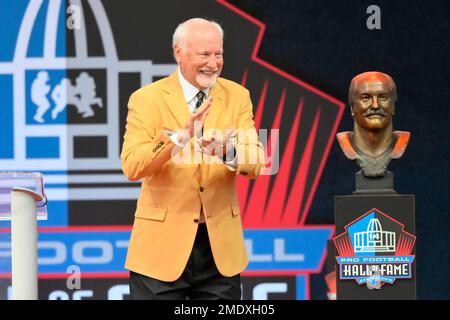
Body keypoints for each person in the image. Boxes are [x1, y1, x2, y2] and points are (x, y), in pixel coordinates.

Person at [121, 18, 265, 300]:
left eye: (218, 54)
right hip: (159, 252)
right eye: (204, 54)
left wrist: (227, 151)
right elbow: (133, 165)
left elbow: (257, 160)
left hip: (218, 252)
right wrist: (178, 139)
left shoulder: (238, 96)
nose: (213, 63)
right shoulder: (146, 99)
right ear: (178, 52)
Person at [336, 71, 410, 177]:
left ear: (393, 106)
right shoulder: (346, 144)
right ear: (352, 107)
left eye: (383, 97)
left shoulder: (401, 143)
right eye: (366, 98)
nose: (375, 105)